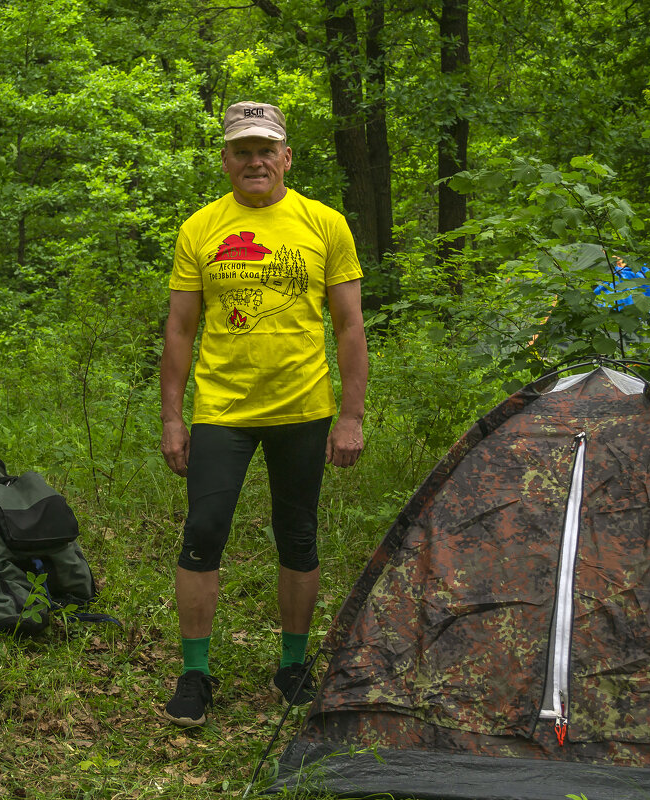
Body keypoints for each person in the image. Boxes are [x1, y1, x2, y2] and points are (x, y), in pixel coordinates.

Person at [159, 100, 368, 727]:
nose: (255, 160)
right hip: (222, 407)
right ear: (226, 159)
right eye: (242, 150)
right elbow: (179, 328)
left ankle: (292, 664)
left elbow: (350, 326)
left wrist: (350, 416)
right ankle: (195, 674)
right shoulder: (201, 228)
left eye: (265, 149)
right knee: (203, 532)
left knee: (297, 534)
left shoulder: (324, 224)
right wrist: (174, 418)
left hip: (303, 406)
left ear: (286, 157)